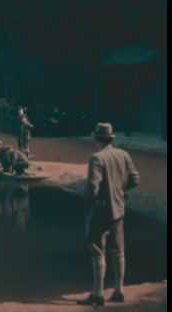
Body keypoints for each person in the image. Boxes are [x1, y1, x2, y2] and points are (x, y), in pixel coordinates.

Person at [77, 123, 140, 307]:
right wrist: (119, 191)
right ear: (110, 138)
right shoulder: (123, 154)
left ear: (97, 139)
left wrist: (87, 204)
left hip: (100, 210)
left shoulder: (96, 158)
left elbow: (93, 187)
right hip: (118, 210)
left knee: (97, 251)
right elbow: (135, 179)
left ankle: (98, 294)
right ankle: (119, 290)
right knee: (118, 251)